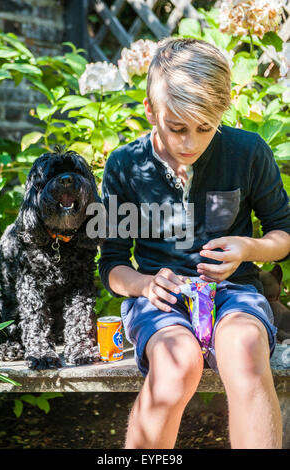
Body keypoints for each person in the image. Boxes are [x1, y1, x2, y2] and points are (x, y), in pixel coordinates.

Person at [98, 37, 290, 449]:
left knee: (245, 351)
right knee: (175, 365)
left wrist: (249, 248)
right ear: (150, 110)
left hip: (233, 292)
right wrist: (144, 284)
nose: (189, 143)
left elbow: (283, 233)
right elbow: (111, 266)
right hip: (159, 299)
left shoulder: (248, 152)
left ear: (222, 112)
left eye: (205, 128)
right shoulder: (124, 165)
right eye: (176, 127)